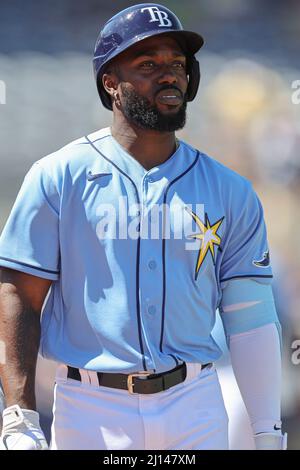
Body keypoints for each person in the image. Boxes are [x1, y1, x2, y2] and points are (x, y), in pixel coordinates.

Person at [0, 3, 287, 450]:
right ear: (111, 83)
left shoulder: (230, 190)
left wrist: (267, 429)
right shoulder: (58, 176)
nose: (169, 74)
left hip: (196, 402)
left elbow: (248, 316)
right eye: (148, 64)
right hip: (90, 406)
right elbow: (19, 295)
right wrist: (20, 414)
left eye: (177, 64)